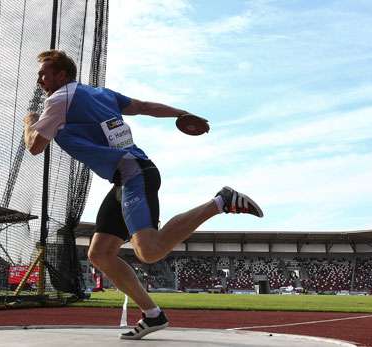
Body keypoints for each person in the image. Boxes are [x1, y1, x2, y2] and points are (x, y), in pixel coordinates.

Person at [24, 49, 263, 340]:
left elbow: (35, 146)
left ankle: (221, 201)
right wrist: (181, 113)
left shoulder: (58, 100)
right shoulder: (100, 93)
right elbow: (143, 106)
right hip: (125, 177)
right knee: (99, 253)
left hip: (133, 173)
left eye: (43, 74)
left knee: (148, 251)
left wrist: (30, 121)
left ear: (61, 75)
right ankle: (153, 315)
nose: (40, 80)